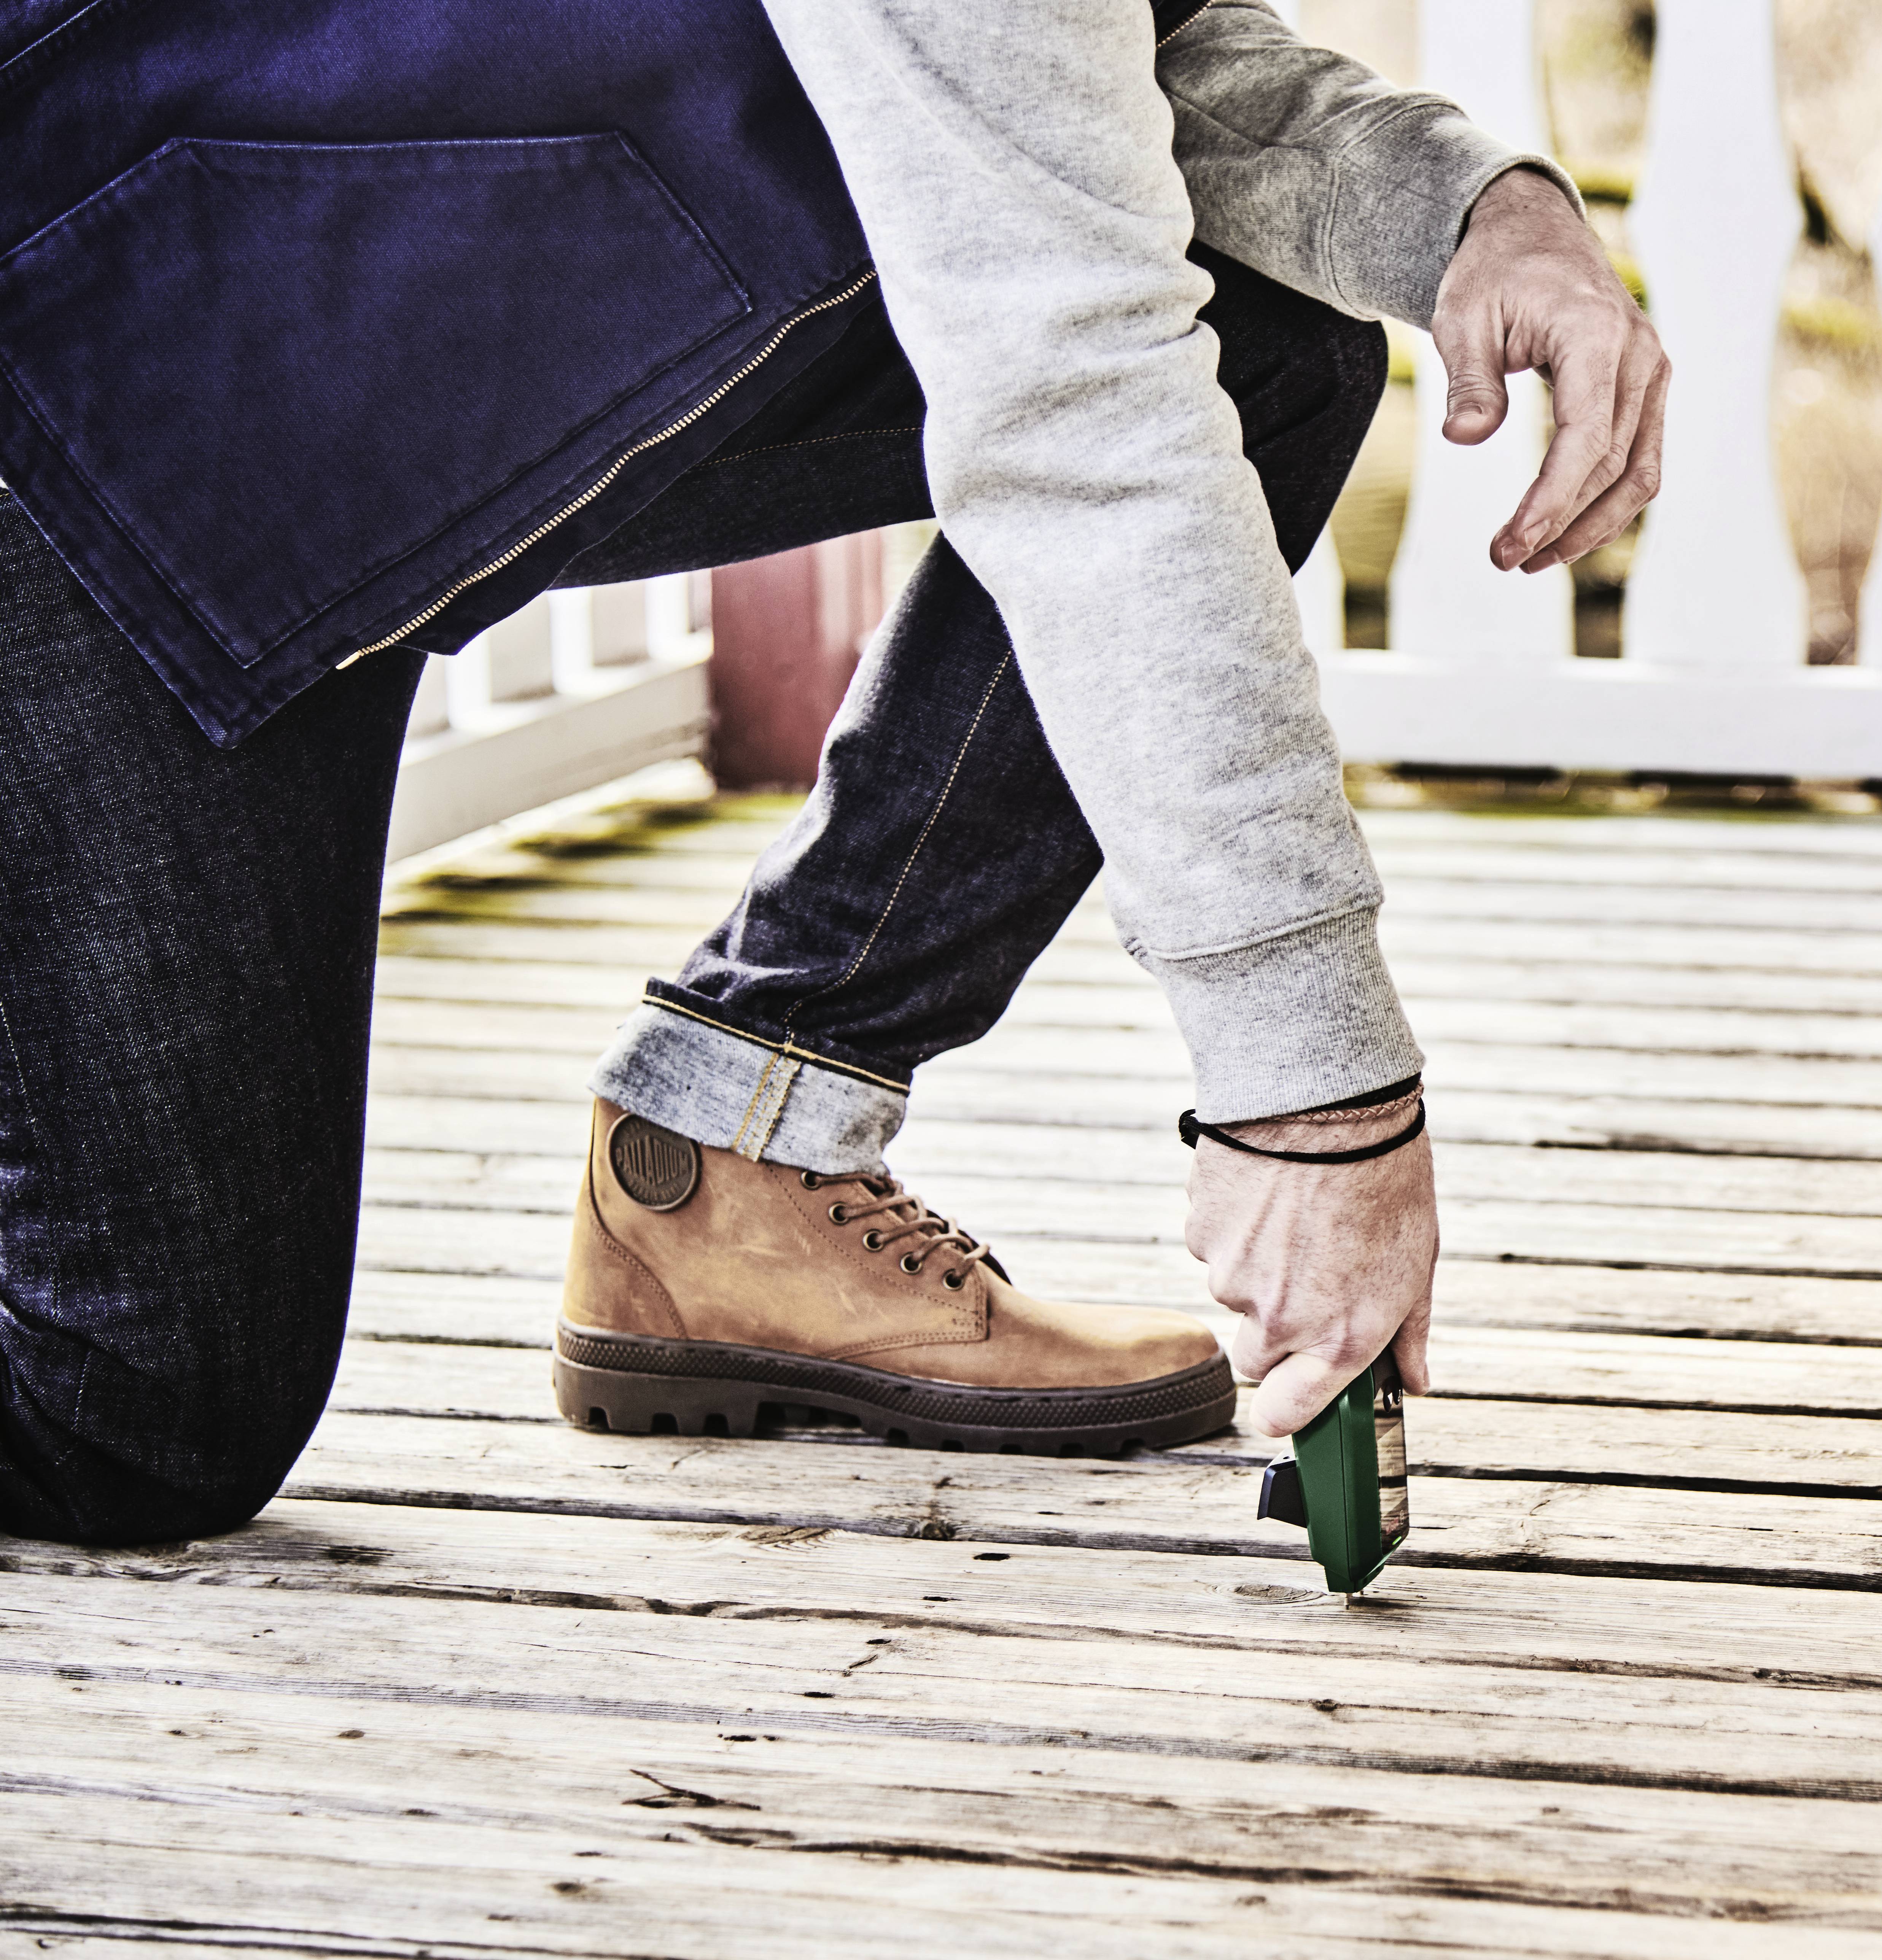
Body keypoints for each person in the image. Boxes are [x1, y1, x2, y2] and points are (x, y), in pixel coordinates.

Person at [0, 0, 1666, 1546]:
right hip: (95, 402)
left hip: (368, 378)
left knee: (1264, 343)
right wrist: (1316, 1096)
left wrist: (1477, 210)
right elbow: (1074, 405)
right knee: (140, 1412)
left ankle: (738, 1142)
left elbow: (1064, 60)